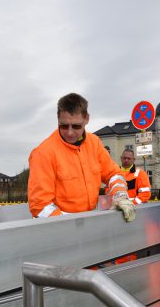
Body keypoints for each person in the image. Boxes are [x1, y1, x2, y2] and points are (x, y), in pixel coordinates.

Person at [28, 93, 135, 221]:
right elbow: (40, 205)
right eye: (63, 126)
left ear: (87, 119)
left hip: (87, 223)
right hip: (60, 230)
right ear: (57, 118)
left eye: (76, 126)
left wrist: (120, 195)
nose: (70, 132)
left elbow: (113, 174)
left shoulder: (94, 143)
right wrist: (69, 225)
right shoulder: (43, 153)